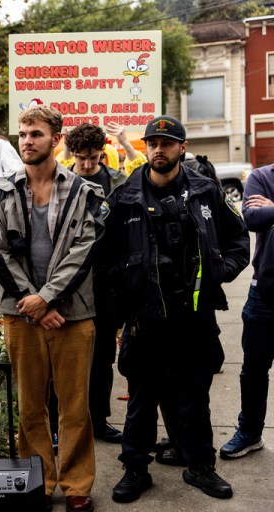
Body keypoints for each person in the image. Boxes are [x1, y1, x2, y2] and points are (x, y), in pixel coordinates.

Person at [101, 115, 249, 503]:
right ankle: (135, 470)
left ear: (182, 148)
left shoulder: (206, 191)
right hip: (144, 320)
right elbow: (103, 260)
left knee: (195, 397)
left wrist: (220, 271)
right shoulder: (124, 198)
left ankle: (200, 466)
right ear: (146, 148)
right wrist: (126, 298)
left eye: (167, 143)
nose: (158, 149)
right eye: (153, 143)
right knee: (141, 399)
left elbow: (238, 240)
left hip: (194, 318)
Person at [0, 105, 104, 512]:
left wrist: (48, 298)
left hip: (73, 313)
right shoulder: (2, 192)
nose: (27, 141)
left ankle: (75, 485)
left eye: (35, 134)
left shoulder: (83, 192)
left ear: (56, 139)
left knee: (74, 405)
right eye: (22, 134)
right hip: (22, 314)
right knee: (31, 405)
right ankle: (38, 480)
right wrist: (34, 306)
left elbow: (82, 252)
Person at [64, 122, 126, 444]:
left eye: (93, 158)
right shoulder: (60, 182)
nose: (87, 165)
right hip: (69, 284)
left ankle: (99, 420)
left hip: (106, 283)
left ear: (103, 152)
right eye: (81, 158)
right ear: (71, 154)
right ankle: (67, 423)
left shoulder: (118, 183)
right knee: (66, 358)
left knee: (102, 358)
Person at [220, 162, 274, 459]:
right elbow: (252, 218)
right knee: (253, 370)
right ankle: (250, 433)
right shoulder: (262, 176)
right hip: (264, 293)